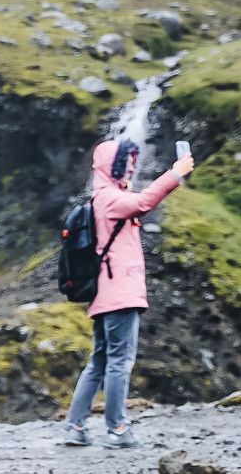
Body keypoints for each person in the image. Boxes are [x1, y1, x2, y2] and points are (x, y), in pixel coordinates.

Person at [67, 133, 194, 447]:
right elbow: (142, 202)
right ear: (111, 166)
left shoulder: (103, 198)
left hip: (106, 294)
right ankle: (117, 429)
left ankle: (75, 426)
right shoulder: (109, 198)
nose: (130, 169)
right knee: (119, 360)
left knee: (99, 361)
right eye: (125, 163)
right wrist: (175, 173)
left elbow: (138, 204)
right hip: (119, 293)